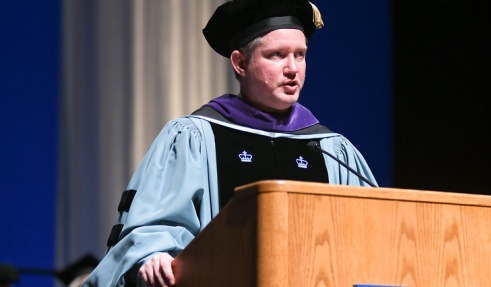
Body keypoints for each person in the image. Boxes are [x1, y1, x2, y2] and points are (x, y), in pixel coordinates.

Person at [83, 0, 377, 286]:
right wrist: (154, 256)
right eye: (277, 55)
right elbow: (155, 227)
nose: (293, 68)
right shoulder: (195, 138)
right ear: (240, 63)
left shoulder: (331, 149)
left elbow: (373, 238)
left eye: (300, 55)